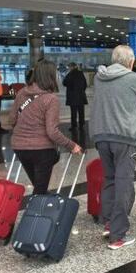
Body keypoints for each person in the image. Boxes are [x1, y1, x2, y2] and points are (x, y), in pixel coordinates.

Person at [90, 45, 136, 250]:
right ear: (130, 62)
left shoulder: (100, 77)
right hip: (124, 138)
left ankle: (109, 222)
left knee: (110, 179)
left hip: (101, 136)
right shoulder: (133, 79)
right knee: (124, 183)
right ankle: (117, 235)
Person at [10, 60, 83, 195]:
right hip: (41, 150)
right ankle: (37, 212)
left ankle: (40, 205)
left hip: (19, 147)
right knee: (40, 190)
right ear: (50, 76)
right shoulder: (50, 99)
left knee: (39, 187)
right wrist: (72, 145)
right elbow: (52, 131)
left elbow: (12, 120)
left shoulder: (21, 93)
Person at [63, 62, 88, 131]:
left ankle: (74, 126)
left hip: (72, 96)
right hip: (81, 96)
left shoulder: (70, 74)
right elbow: (85, 84)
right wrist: (81, 91)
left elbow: (64, 83)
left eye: (69, 67)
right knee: (81, 111)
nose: (69, 68)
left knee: (73, 112)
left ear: (72, 67)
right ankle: (81, 125)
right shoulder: (81, 73)